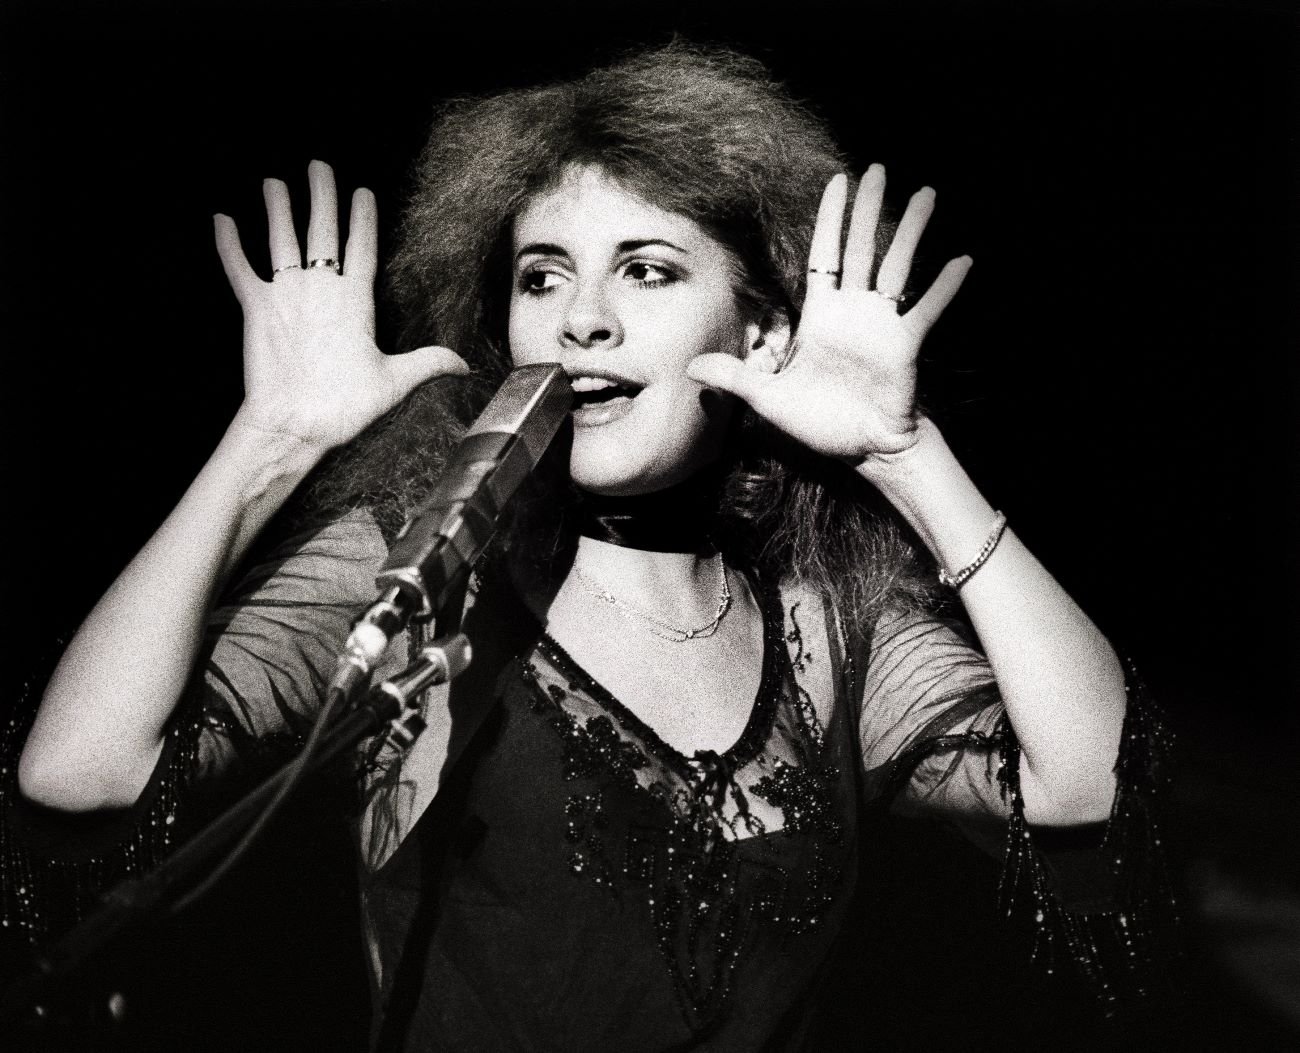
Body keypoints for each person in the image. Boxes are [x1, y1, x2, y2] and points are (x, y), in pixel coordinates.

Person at [3, 43, 1169, 1050]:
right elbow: (79, 772)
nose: (580, 319)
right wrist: (269, 444)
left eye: (647, 271)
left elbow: (1092, 788)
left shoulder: (829, 624)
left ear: (759, 328)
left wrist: (905, 456)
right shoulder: (420, 566)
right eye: (541, 276)